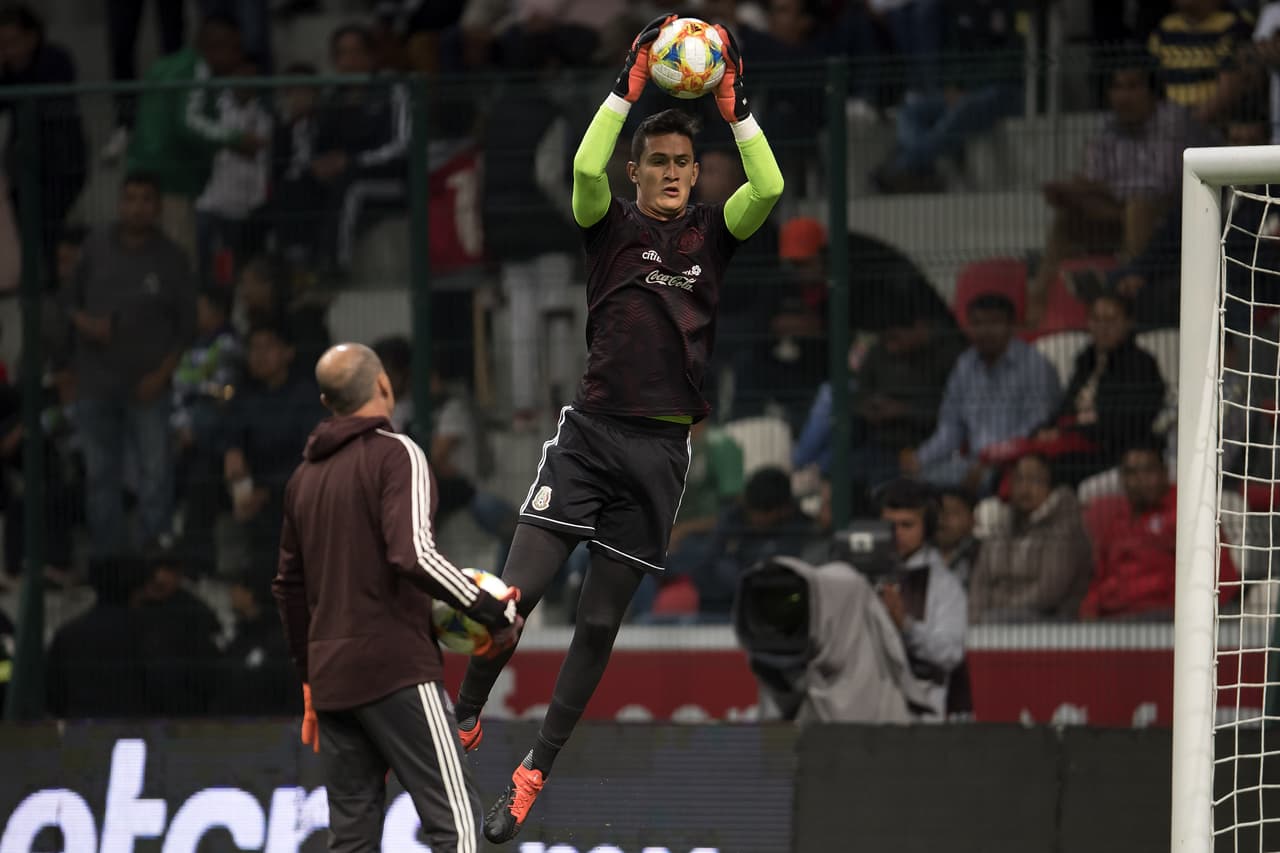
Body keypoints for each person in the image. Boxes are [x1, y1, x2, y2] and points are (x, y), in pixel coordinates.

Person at [451, 14, 783, 842]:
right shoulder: (608, 224)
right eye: (659, 161)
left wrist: (736, 109)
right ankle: (464, 713)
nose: (674, 173)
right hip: (591, 438)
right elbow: (582, 165)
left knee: (598, 624)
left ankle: (534, 771)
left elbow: (769, 188)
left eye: (685, 162)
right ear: (636, 169)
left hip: (661, 455)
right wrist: (626, 87)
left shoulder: (715, 232)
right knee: (509, 601)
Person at [272, 343, 522, 852]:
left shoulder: (304, 479)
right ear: (384, 385)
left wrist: (308, 680)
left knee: (352, 838)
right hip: (395, 669)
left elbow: (288, 589)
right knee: (457, 826)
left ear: (327, 401)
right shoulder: (397, 453)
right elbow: (413, 556)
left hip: (332, 682)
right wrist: (492, 611)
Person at [68, 172, 195, 556]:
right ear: (119, 203)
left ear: (157, 208)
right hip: (95, 384)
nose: (136, 207)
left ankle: (152, 560)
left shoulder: (171, 258)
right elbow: (65, 302)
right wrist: (86, 323)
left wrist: (161, 375)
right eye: (129, 198)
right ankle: (107, 561)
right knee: (100, 477)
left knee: (156, 474)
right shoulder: (94, 248)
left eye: (145, 199)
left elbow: (186, 328)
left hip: (149, 387)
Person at [900, 292, 1061, 494]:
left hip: (1016, 464)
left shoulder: (1034, 365)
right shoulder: (965, 365)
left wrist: (992, 461)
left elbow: (1035, 426)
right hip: (972, 463)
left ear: (1012, 326)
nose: (985, 331)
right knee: (910, 482)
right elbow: (950, 429)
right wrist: (920, 459)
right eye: (977, 323)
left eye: (994, 323)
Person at [876, 478, 967, 719]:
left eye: (907, 525)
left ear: (926, 527)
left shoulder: (944, 584)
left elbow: (951, 652)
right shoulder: (864, 577)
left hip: (922, 713)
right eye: (890, 525)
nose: (896, 534)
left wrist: (905, 626)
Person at [966, 453, 1093, 623]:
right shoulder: (1001, 527)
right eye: (1018, 480)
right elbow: (979, 583)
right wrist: (976, 617)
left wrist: (998, 609)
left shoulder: (1066, 529)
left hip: (1054, 623)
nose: (1024, 488)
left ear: (1050, 487)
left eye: (1034, 480)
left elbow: (1048, 593)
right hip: (996, 619)